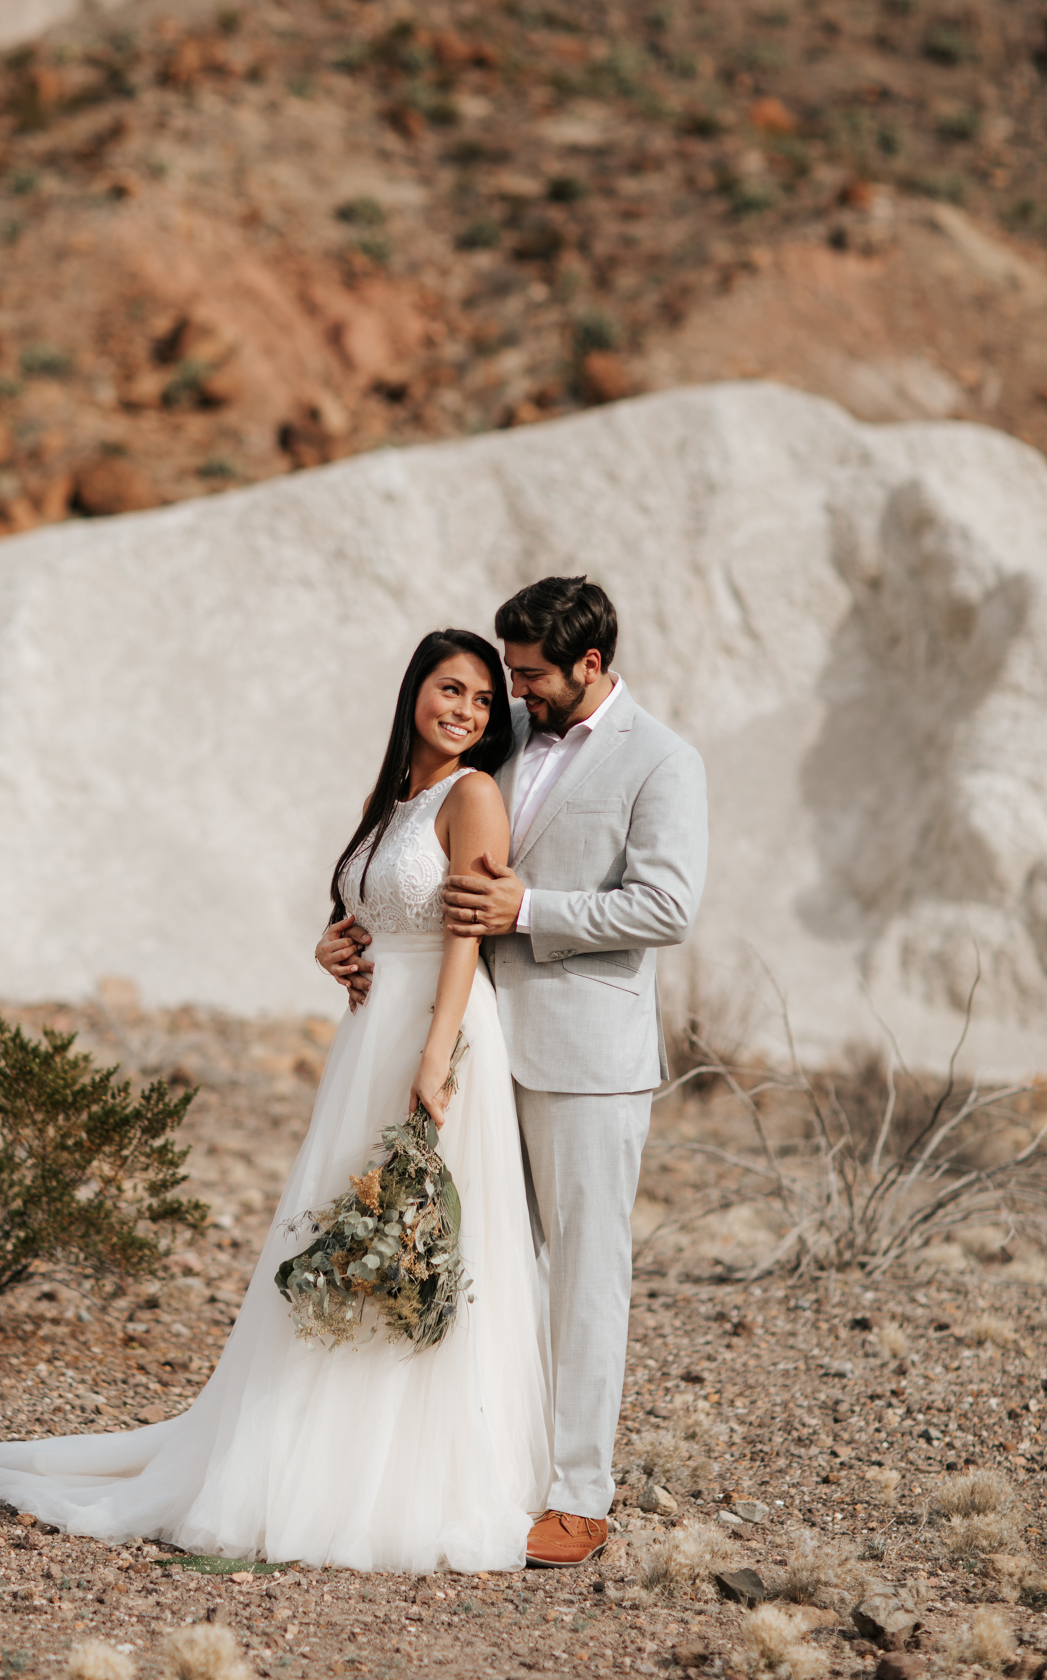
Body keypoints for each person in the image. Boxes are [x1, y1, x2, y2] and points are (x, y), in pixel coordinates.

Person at [0, 630, 551, 1574]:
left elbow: (461, 937)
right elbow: (363, 913)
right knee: (341, 1234)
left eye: (484, 701)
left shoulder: (473, 795)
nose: (467, 712)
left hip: (436, 1030)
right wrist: (332, 947)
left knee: (416, 1239)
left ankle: (399, 1474)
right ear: (415, 690)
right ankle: (299, 1452)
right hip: (372, 1032)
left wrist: (437, 1055)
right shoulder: (389, 799)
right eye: (451, 689)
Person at [320, 577, 708, 1568]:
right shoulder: (508, 745)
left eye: (531, 673)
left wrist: (530, 909)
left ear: (591, 663)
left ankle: (580, 1493)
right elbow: (427, 863)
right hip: (484, 1044)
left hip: (587, 1058)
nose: (515, 690)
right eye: (509, 673)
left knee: (585, 1275)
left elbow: (665, 906)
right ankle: (492, 1465)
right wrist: (353, 939)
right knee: (487, 1261)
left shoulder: (661, 759)